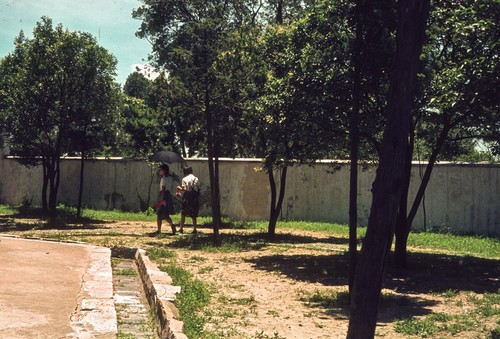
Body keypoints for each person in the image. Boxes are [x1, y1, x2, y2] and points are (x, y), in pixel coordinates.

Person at [176, 166, 200, 234]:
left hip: (187, 198)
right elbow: (198, 188)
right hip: (195, 198)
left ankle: (181, 228)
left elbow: (185, 189)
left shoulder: (184, 179)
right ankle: (195, 229)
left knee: (183, 213)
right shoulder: (196, 178)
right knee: (194, 214)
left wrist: (179, 189)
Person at [156, 164, 176, 235]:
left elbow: (163, 189)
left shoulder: (163, 179)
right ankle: (172, 224)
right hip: (168, 196)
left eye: (161, 170)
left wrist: (161, 200)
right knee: (166, 214)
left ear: (164, 171)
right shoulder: (170, 178)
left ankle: (159, 230)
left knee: (159, 213)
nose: (160, 171)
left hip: (163, 195)